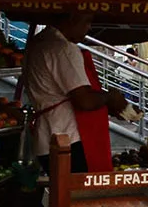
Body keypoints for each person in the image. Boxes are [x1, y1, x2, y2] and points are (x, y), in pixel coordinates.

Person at [24, 12, 127, 173]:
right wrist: (110, 97)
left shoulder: (39, 42)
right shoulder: (63, 48)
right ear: (72, 19)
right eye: (87, 21)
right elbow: (84, 100)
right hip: (68, 140)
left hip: (45, 138)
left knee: (62, 193)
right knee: (78, 195)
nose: (89, 27)